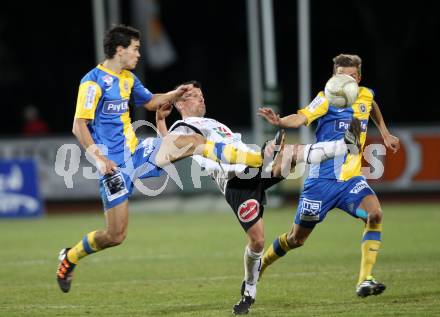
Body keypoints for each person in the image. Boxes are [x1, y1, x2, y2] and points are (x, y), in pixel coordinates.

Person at [56, 25, 266, 293]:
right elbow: (79, 126)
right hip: (113, 167)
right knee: (115, 235)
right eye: (135, 48)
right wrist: (98, 158)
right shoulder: (93, 82)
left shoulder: (128, 79)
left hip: (137, 153)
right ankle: (69, 257)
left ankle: (255, 157)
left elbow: (152, 101)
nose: (139, 54)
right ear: (120, 50)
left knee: (193, 143)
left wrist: (175, 94)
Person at [155, 80, 362, 314]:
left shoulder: (210, 123)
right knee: (258, 241)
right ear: (180, 102)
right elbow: (170, 146)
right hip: (237, 183)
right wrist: (161, 120)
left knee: (290, 154)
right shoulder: (184, 125)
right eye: (193, 95)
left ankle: (344, 146)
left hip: (254, 168)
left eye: (202, 94)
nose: (201, 98)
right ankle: (249, 290)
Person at [258, 54, 401, 297]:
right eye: (341, 76)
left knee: (374, 214)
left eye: (352, 77)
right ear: (333, 77)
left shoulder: (365, 94)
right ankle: (260, 264)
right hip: (320, 183)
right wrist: (281, 120)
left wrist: (385, 132)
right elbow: (302, 117)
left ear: (359, 78)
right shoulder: (325, 99)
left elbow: (372, 105)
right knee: (296, 239)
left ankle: (365, 279)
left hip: (351, 181)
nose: (347, 81)